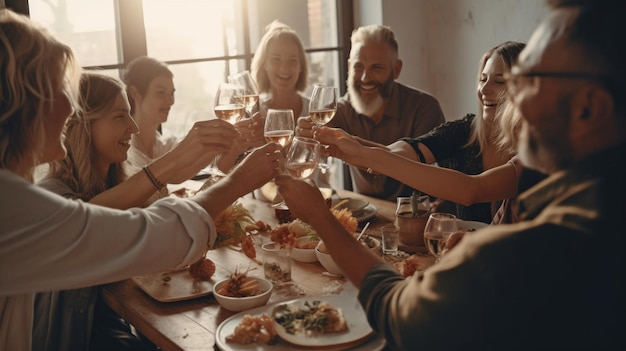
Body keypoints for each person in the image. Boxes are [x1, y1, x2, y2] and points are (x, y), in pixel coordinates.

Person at [276, 0, 625, 349]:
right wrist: (360, 149)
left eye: (526, 79)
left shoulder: (525, 255)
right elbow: (410, 151)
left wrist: (321, 217)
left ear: (589, 108)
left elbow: (395, 311)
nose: (510, 97)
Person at [0, 9, 281, 349]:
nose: (68, 107)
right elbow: (152, 235)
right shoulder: (15, 210)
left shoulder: (19, 198)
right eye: (59, 89)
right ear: (23, 102)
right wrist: (238, 179)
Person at [315, 41, 527, 223]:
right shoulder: (464, 131)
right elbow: (401, 152)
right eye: (482, 79)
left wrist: (363, 153)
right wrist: (349, 144)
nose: (484, 90)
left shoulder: (538, 154)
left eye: (499, 81)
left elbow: (471, 190)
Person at [297, 24, 445, 201]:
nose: (365, 78)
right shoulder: (341, 110)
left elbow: (440, 175)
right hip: (364, 217)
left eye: (376, 68)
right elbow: (318, 156)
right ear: (349, 67)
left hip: (415, 217)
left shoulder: (424, 108)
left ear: (396, 69)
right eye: (358, 67)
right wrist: (307, 139)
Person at [122, 56, 263, 199]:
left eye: (172, 93)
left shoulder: (162, 146)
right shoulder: (124, 153)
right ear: (135, 93)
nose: (170, 100)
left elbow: (187, 177)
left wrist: (233, 142)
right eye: (161, 93)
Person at [252, 19, 310, 120]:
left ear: (301, 66)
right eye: (276, 59)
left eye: (292, 60)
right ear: (264, 64)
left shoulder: (315, 112)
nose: (284, 67)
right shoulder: (253, 113)